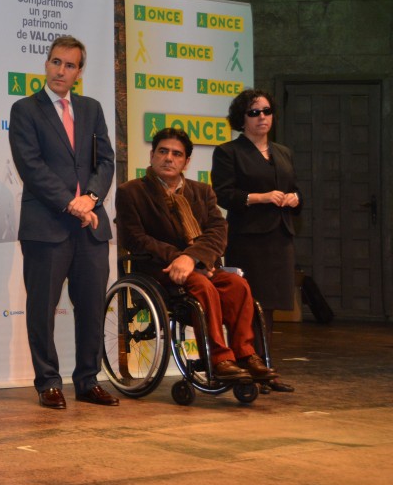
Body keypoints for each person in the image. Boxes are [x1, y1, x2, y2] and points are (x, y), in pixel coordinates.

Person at [116, 128, 279, 383]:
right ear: (152, 155)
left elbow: (217, 230)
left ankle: (246, 355)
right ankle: (219, 359)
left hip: (200, 265)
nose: (169, 158)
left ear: (186, 162)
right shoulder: (131, 192)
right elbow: (135, 238)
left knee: (238, 285)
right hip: (158, 270)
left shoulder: (202, 191)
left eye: (176, 154)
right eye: (163, 151)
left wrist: (191, 258)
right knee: (201, 285)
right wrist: (177, 258)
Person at [8, 35, 118, 409]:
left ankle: (88, 380)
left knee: (91, 308)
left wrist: (91, 198)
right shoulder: (25, 109)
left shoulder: (91, 108)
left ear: (79, 72)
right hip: (46, 226)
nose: (61, 70)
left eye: (70, 65)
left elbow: (106, 161)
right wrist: (70, 203)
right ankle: (48, 382)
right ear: (46, 64)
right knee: (43, 308)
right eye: (56, 62)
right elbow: (31, 166)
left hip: (91, 226)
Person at [212, 89, 301, 393]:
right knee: (250, 306)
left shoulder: (283, 152)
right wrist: (259, 197)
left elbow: (297, 190)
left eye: (266, 111)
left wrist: (294, 198)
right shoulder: (228, 152)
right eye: (254, 112)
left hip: (281, 237)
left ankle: (267, 369)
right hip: (248, 238)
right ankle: (248, 364)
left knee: (272, 308)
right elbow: (223, 194)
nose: (262, 117)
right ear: (242, 118)